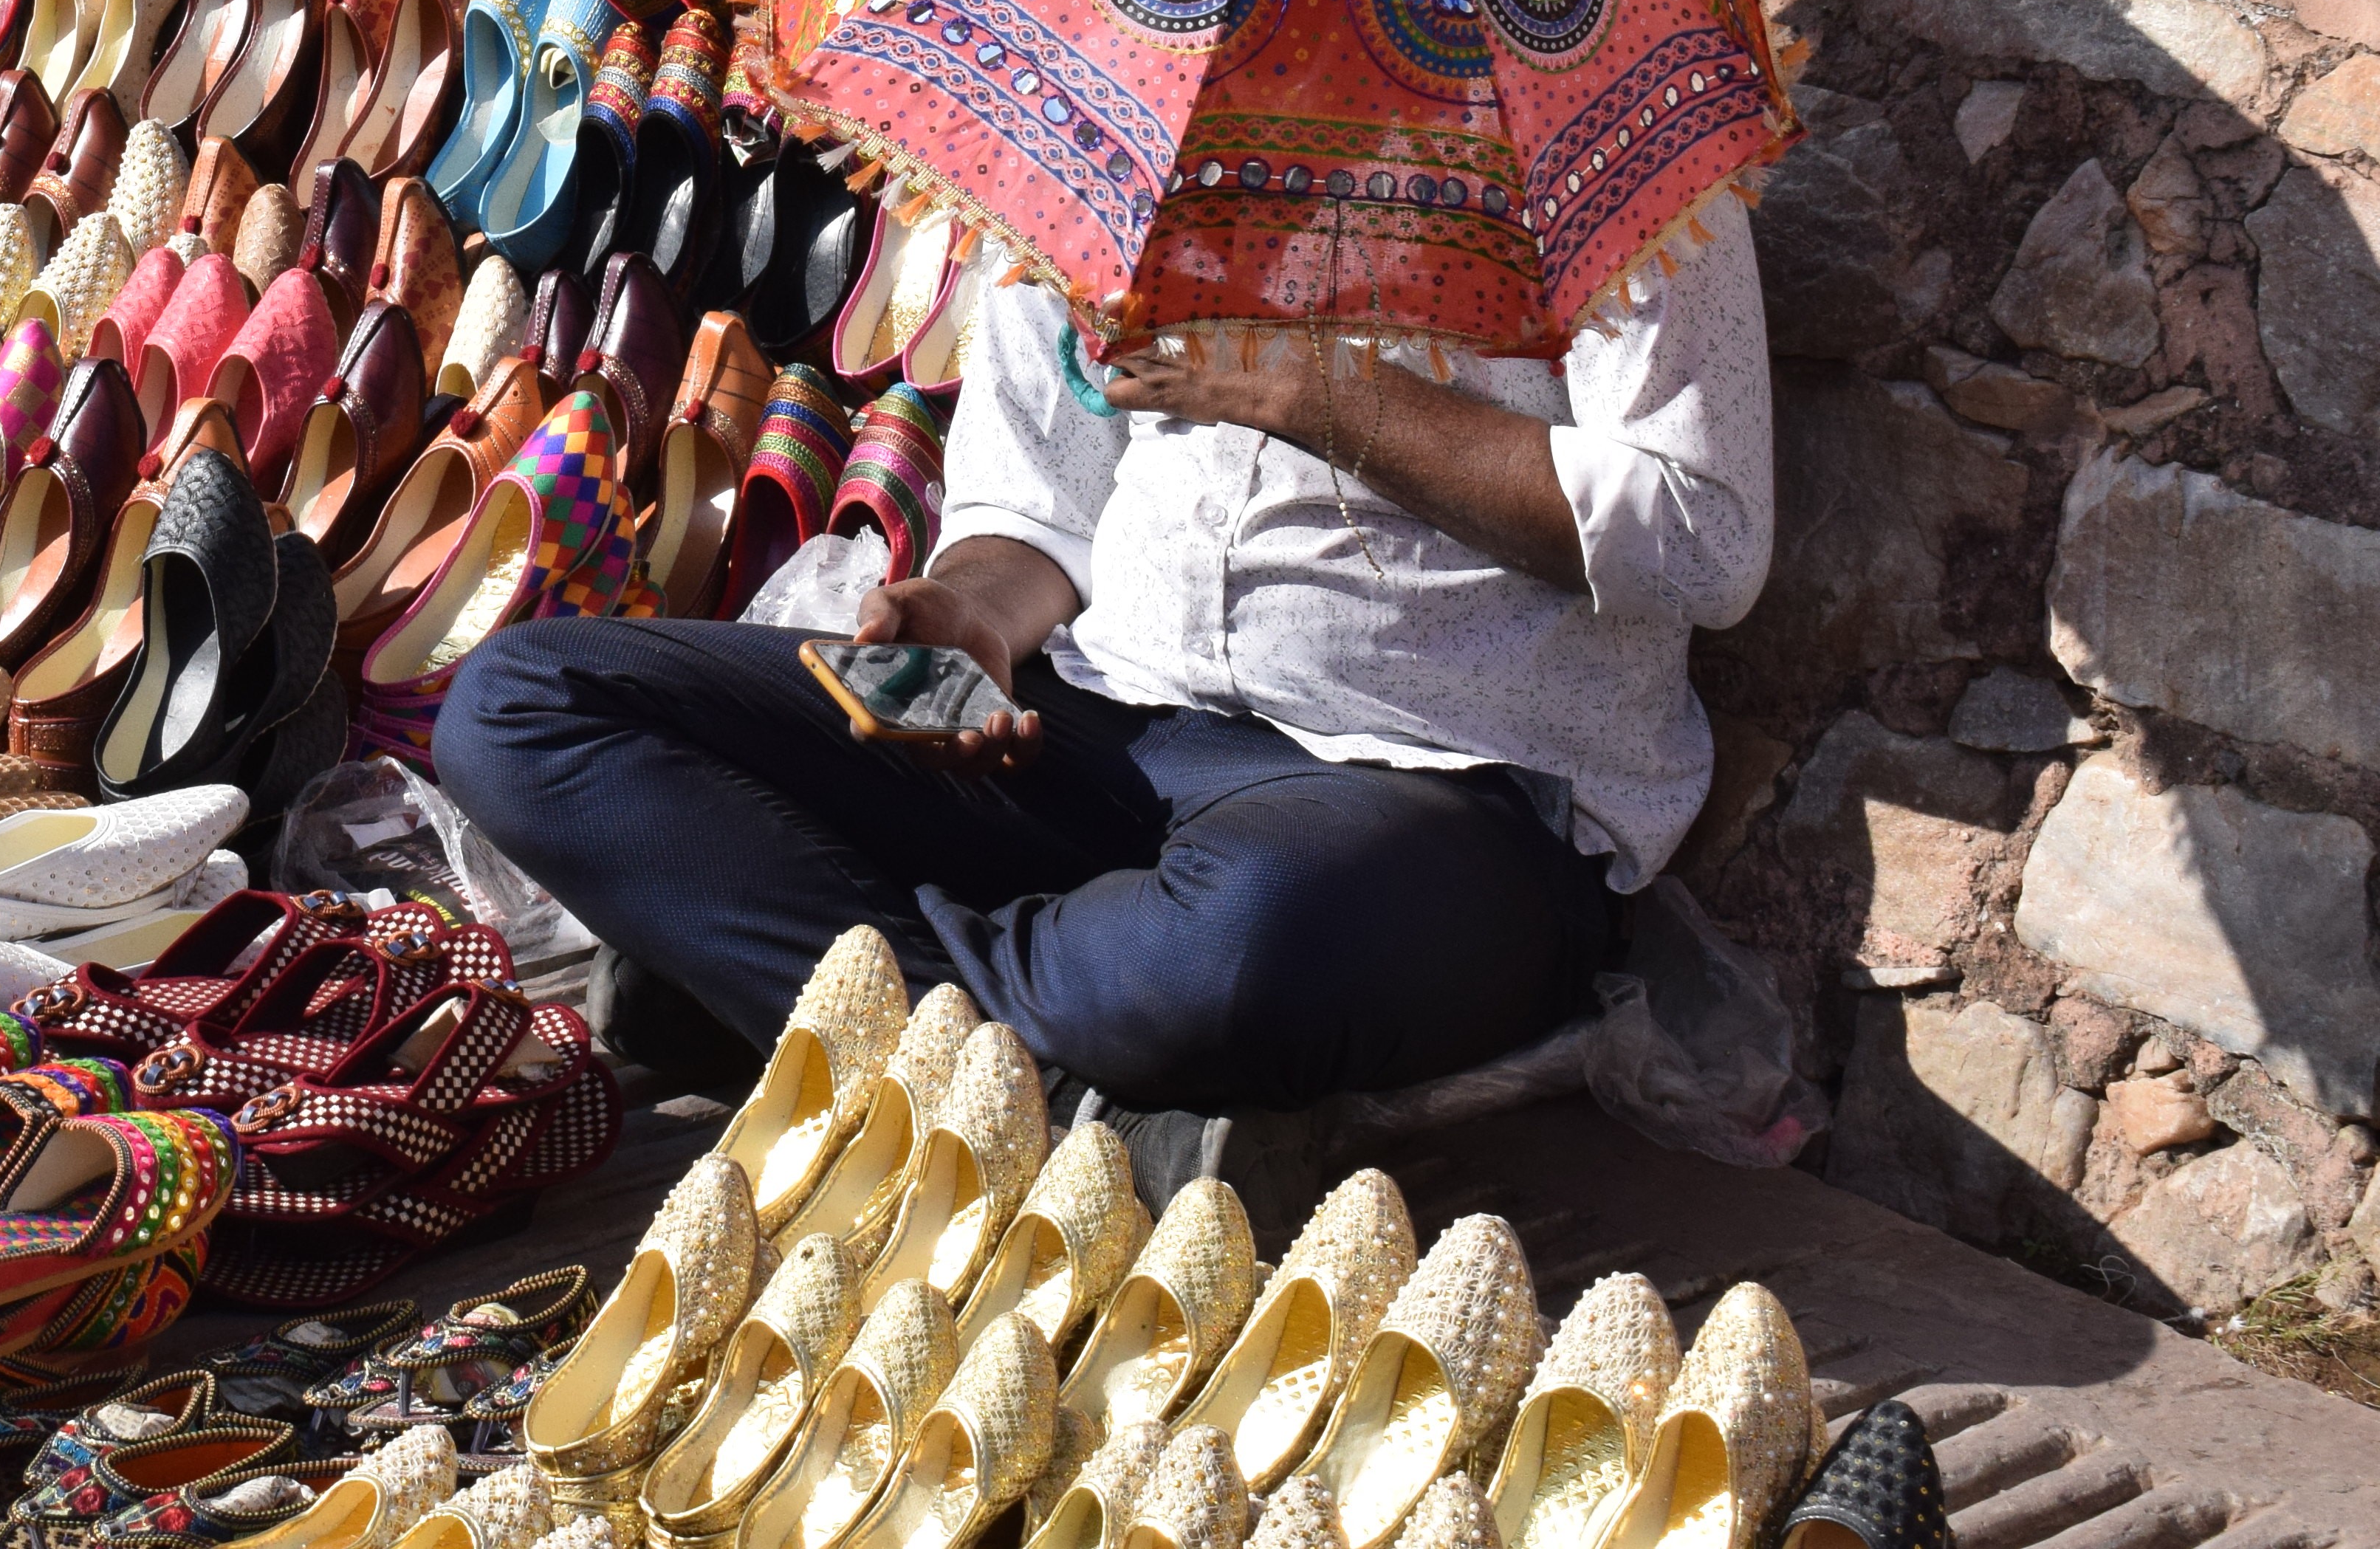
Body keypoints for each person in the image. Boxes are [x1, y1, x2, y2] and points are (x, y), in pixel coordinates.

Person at [433, 199, 1773, 1114]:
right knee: (525, 709)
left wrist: (1314, 392)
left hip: (1438, 787)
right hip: (1113, 724)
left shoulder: (1608, 149)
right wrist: (969, 614)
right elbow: (1040, 503)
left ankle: (831, 1007)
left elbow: (1706, 541)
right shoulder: (1117, 124)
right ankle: (1035, 1073)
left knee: (1243, 949)